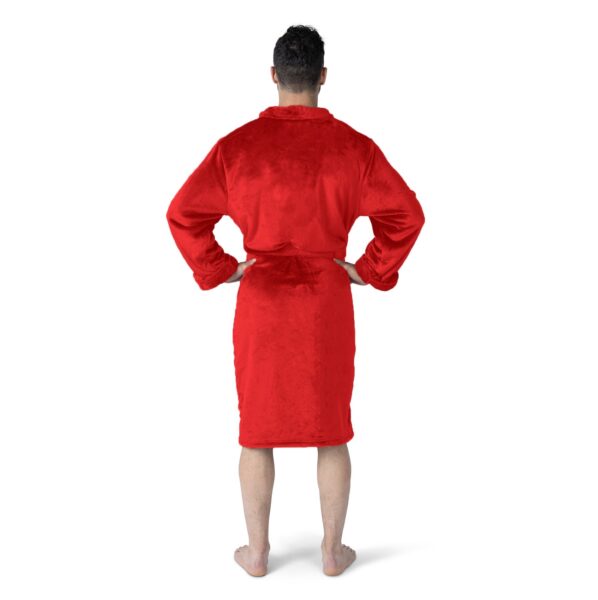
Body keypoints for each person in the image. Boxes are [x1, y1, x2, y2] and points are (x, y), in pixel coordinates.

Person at [165, 25, 425, 577]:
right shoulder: (354, 148)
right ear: (322, 77)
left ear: (274, 76)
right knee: (331, 429)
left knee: (256, 430)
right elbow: (407, 215)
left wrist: (223, 268)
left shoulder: (237, 148)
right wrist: (368, 269)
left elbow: (183, 214)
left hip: (262, 304)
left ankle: (257, 553)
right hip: (325, 305)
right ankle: (332, 552)